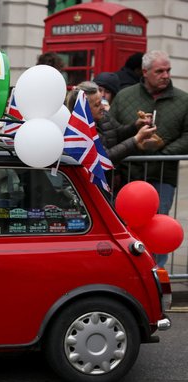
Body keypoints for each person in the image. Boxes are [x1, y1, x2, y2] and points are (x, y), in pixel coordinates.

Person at [110, 50, 188, 266]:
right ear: (145, 72)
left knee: (158, 227)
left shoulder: (183, 100)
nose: (165, 75)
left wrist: (164, 154)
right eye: (159, 71)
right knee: (125, 228)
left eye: (168, 70)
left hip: (162, 175)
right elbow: (113, 131)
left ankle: (157, 273)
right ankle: (129, 271)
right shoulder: (125, 96)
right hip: (128, 177)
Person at [65, 81, 157, 164]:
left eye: (101, 101)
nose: (102, 107)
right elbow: (105, 157)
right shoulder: (79, 131)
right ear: (83, 109)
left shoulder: (104, 115)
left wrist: (136, 126)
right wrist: (136, 139)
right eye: (97, 105)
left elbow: (118, 132)